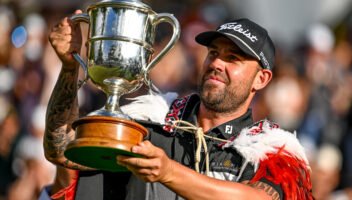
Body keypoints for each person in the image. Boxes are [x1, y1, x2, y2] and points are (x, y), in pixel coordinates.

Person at [43, 9, 312, 200]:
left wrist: (168, 171)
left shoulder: (271, 150)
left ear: (261, 79)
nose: (217, 63)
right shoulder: (151, 120)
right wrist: (69, 68)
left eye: (233, 58)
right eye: (214, 53)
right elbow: (62, 150)